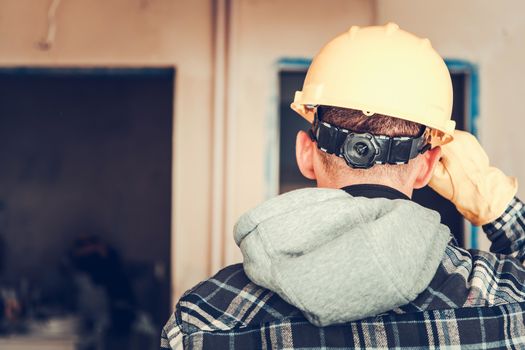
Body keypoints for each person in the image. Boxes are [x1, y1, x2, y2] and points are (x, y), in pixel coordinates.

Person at [161, 23, 525, 349]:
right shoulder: (504, 299)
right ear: (427, 166)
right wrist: (498, 204)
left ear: (306, 153)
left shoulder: (204, 319)